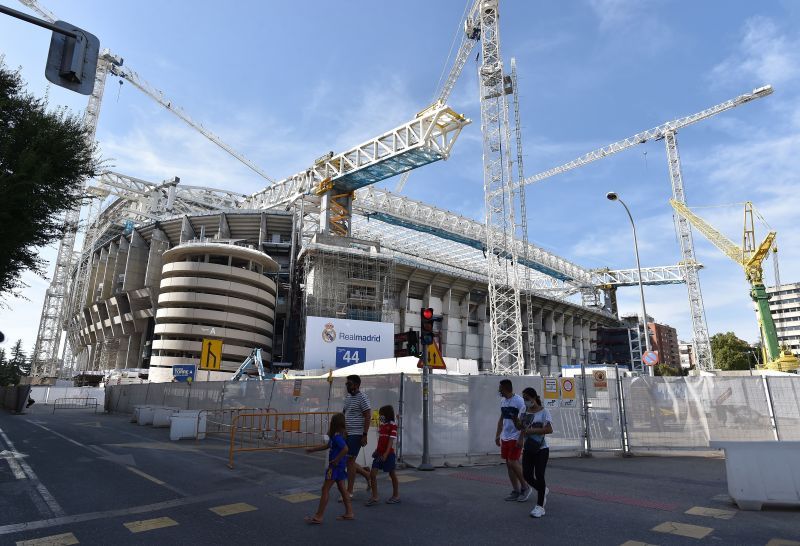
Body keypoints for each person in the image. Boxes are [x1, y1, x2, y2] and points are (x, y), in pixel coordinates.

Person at [304, 413, 354, 524]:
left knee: (325, 489)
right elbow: (327, 446)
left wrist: (336, 460)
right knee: (342, 489)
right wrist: (313, 449)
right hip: (339, 466)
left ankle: (319, 516)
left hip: (335, 467)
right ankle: (349, 512)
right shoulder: (337, 436)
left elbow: (345, 449)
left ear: (334, 424)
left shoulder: (337, 437)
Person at [516, 387, 554, 518]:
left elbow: (549, 429)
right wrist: (518, 429)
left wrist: (531, 431)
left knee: (539, 475)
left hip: (541, 449)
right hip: (528, 448)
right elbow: (521, 427)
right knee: (526, 474)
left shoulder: (544, 412)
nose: (525, 401)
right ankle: (542, 489)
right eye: (524, 399)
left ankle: (540, 506)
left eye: (527, 398)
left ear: (534, 398)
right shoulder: (523, 410)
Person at [496, 379, 530, 502]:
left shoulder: (519, 402)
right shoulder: (503, 401)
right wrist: (497, 435)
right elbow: (501, 419)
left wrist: (521, 437)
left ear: (505, 388)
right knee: (508, 464)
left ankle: (525, 487)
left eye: (500, 388)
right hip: (505, 436)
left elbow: (525, 421)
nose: (499, 390)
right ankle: (515, 490)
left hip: (516, 435)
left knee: (513, 461)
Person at [342, 374, 372, 499]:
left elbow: (368, 415)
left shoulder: (363, 398)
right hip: (347, 434)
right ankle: (366, 474)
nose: (347, 386)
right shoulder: (348, 397)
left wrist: (364, 434)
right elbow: (345, 413)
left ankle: (349, 492)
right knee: (348, 461)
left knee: (349, 461)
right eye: (346, 384)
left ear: (356, 385)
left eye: (349, 384)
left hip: (356, 434)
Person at [365, 405, 400, 506]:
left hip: (388, 454)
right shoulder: (382, 426)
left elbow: (390, 441)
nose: (380, 416)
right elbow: (381, 441)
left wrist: (385, 453)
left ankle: (396, 495)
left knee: (392, 474)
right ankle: (375, 497)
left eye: (381, 414)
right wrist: (376, 451)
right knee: (372, 474)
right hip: (379, 454)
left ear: (387, 414)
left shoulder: (392, 425)